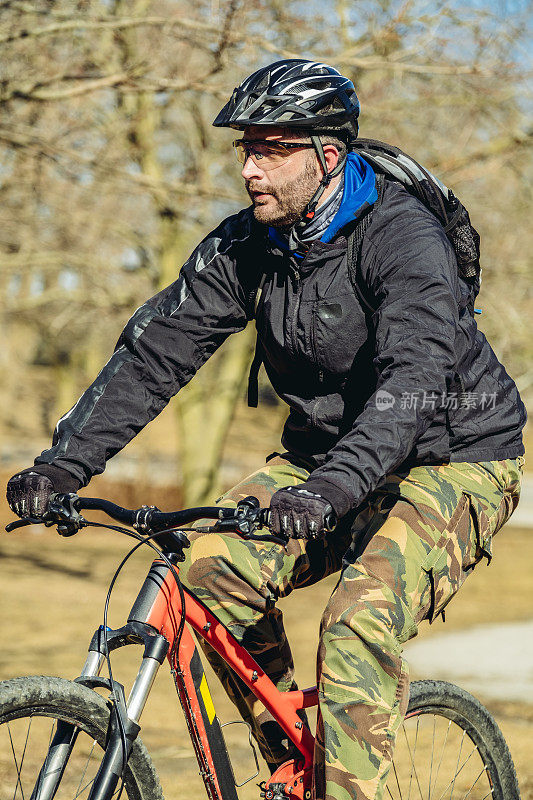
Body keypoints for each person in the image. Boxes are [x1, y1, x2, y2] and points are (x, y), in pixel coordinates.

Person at [7, 59, 526, 800]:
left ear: (327, 156)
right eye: (244, 150)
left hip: (453, 458)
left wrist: (332, 490)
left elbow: (412, 384)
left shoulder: (402, 240)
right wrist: (65, 466)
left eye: (270, 150)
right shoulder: (250, 244)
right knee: (205, 571)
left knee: (356, 625)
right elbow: (156, 353)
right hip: (326, 457)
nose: (249, 169)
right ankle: (294, 763)